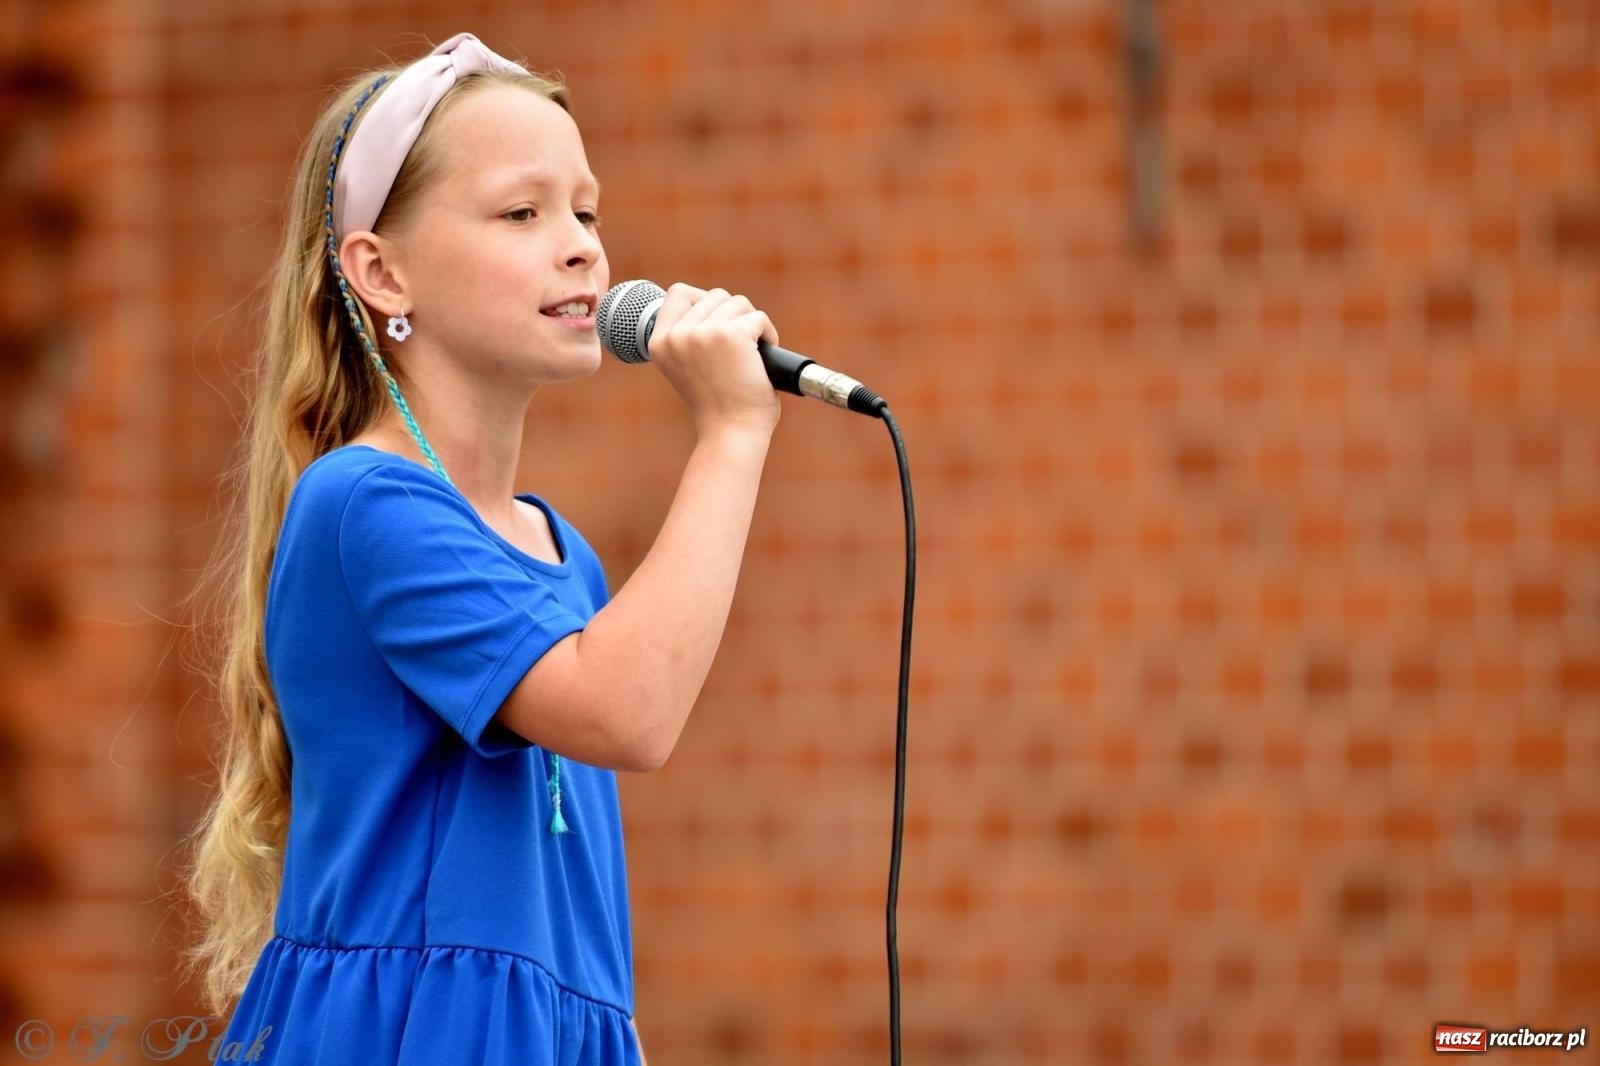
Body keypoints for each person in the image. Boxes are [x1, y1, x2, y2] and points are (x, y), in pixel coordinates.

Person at [178, 30, 782, 1065]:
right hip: (407, 1030)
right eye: (523, 212)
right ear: (382, 272)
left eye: (586, 210)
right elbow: (626, 711)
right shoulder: (364, 501)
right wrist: (731, 434)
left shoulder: (564, 553)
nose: (583, 244)